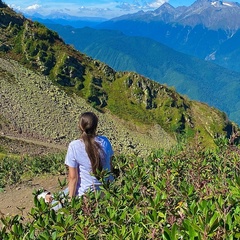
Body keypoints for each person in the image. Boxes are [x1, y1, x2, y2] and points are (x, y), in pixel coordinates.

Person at [37, 112, 114, 210]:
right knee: (67, 191)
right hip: (106, 191)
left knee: (56, 204)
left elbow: (73, 178)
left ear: (80, 126)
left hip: (86, 194)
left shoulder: (74, 146)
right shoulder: (105, 141)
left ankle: (47, 198)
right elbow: (110, 166)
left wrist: (70, 203)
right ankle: (49, 197)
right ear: (96, 125)